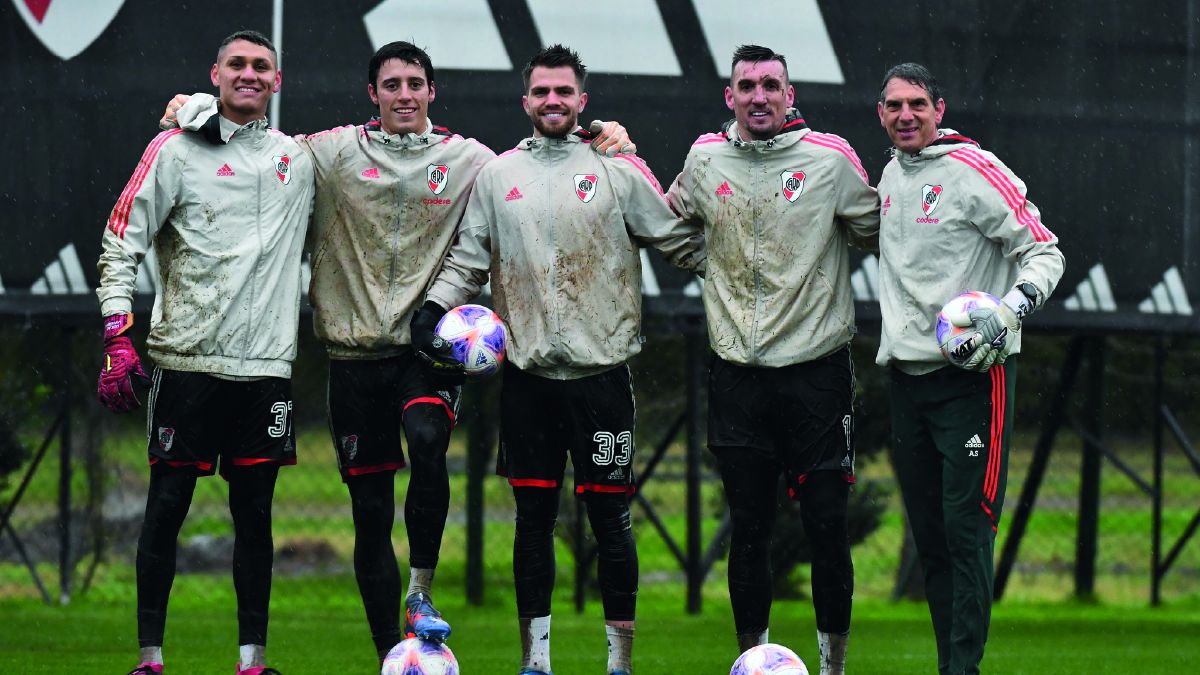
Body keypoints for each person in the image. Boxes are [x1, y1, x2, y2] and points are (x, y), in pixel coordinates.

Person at [159, 42, 636, 666]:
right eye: (392, 84)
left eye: (415, 83)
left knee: (428, 438)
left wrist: (602, 134)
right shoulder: (330, 152)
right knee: (370, 512)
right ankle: (393, 652)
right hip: (353, 355)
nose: (404, 94)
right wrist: (198, 108)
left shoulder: (471, 160)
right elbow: (258, 145)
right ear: (373, 94)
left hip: (423, 349)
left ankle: (421, 590)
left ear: (432, 92)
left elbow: (537, 164)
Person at [412, 44, 705, 675]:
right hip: (529, 381)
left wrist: (738, 267)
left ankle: (618, 666)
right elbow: (468, 259)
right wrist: (432, 310)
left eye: (564, 92)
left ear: (582, 100)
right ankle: (536, 664)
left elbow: (678, 238)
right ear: (526, 101)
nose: (553, 101)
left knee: (612, 521)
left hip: (603, 379)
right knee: (533, 522)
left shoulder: (615, 168)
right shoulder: (499, 175)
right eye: (542, 92)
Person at [97, 30, 315, 675]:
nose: (249, 74)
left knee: (255, 517)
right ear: (215, 73)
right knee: (166, 508)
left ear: (277, 81)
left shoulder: (299, 159)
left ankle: (252, 662)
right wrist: (116, 332)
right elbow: (121, 241)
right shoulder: (173, 148)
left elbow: (377, 149)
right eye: (236, 64)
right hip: (186, 362)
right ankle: (150, 659)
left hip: (266, 370)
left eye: (261, 66)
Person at [665, 45, 879, 675]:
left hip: (817, 374)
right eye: (746, 86)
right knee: (750, 527)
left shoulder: (829, 159)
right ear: (729, 96)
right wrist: (715, 268)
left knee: (826, 525)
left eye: (770, 85)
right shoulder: (705, 158)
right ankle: (753, 663)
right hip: (738, 376)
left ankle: (833, 668)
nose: (758, 96)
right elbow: (668, 222)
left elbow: (879, 231)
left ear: (790, 95)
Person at [874, 63, 1064, 675]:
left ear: (940, 109)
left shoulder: (974, 168)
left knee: (967, 531)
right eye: (895, 105)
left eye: (917, 104)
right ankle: (950, 666)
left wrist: (1009, 311)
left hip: (973, 381)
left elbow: (1044, 250)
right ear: (881, 114)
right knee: (931, 541)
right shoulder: (889, 176)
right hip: (906, 382)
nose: (906, 115)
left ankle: (963, 670)